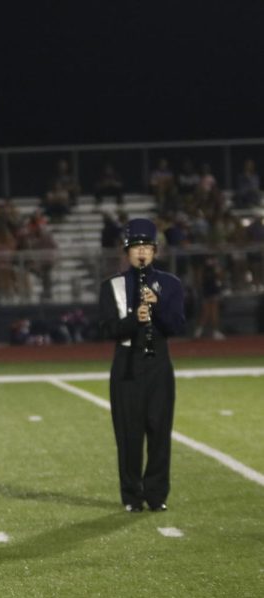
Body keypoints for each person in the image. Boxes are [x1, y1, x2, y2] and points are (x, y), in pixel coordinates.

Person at [98, 218, 186, 514]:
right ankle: (131, 495)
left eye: (147, 246)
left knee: (159, 432)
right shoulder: (112, 286)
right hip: (126, 366)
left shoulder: (171, 284)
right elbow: (107, 329)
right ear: (127, 251)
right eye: (136, 247)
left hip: (159, 364)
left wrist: (157, 306)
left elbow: (177, 326)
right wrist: (134, 318)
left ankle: (157, 493)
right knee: (129, 434)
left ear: (155, 250)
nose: (141, 252)